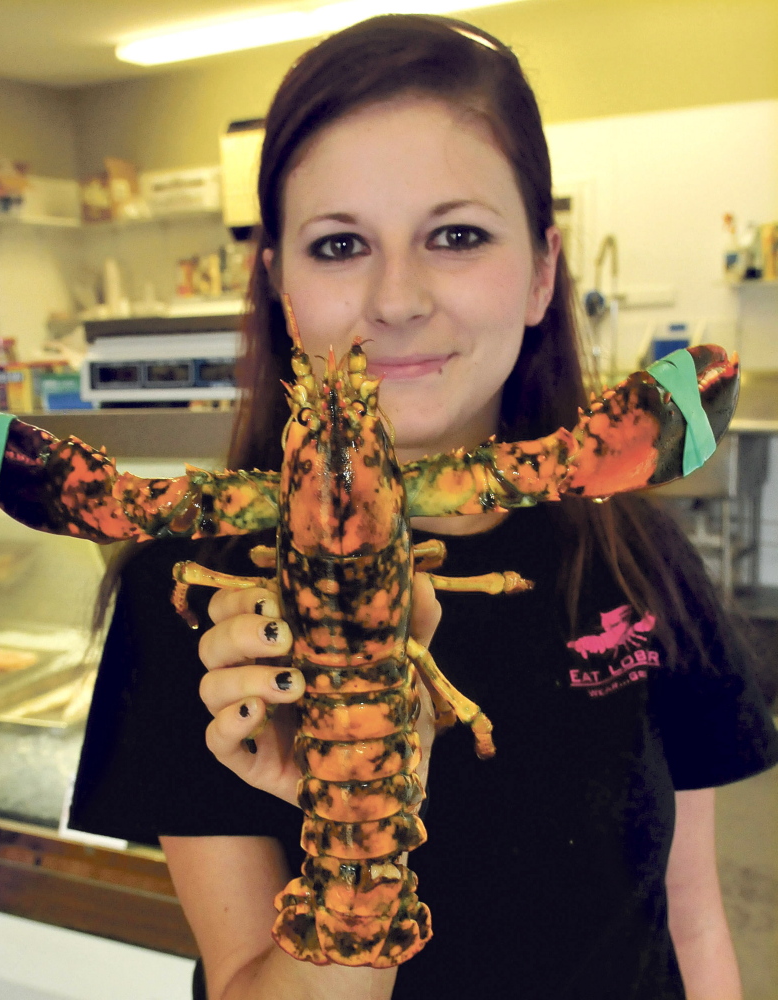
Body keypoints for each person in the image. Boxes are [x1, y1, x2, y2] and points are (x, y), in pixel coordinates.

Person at [69, 14, 778, 1000]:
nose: (396, 298)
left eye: (456, 234)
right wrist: (345, 818)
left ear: (541, 270)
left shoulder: (643, 556)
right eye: (340, 242)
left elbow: (691, 910)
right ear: (280, 287)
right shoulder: (186, 603)